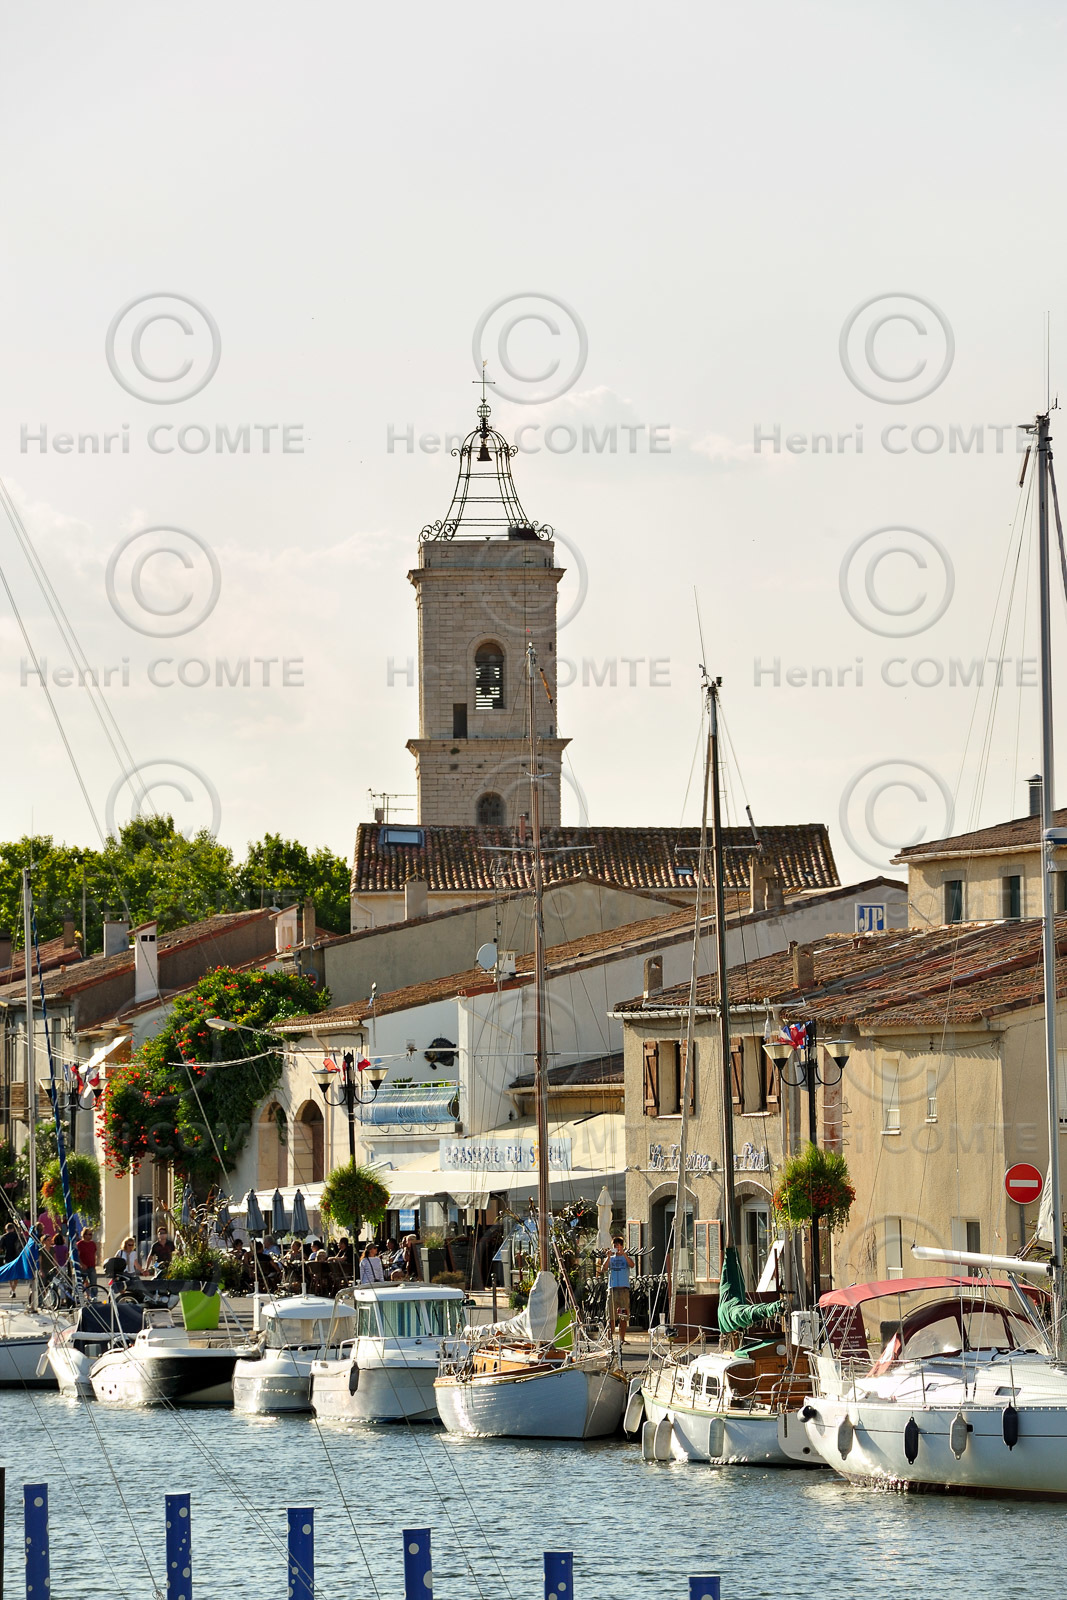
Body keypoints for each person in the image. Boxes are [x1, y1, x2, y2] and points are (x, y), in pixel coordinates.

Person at [599, 1235, 635, 1344]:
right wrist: (608, 1256)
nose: (617, 1248)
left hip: (623, 1290)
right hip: (612, 1289)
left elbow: (632, 1265)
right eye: (615, 1246)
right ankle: (609, 1339)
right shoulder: (610, 1258)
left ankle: (622, 1338)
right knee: (611, 1315)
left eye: (618, 1246)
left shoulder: (625, 1257)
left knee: (623, 1315)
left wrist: (623, 1253)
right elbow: (603, 1269)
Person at [76, 1226, 99, 1295]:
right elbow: (77, 1255)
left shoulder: (92, 1244)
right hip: (83, 1267)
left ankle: (94, 1297)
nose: (91, 1236)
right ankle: (80, 1296)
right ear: (84, 1235)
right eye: (89, 1234)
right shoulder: (79, 1244)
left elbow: (95, 1253)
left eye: (91, 1234)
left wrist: (96, 1262)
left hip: (91, 1266)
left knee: (93, 1282)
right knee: (82, 1283)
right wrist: (81, 1264)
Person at [1, 1220, 20, 1299]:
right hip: (17, 1257)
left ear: (6, 1229)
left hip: (8, 1257)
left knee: (9, 1274)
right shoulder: (17, 1236)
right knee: (16, 1275)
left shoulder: (4, 1237)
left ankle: (12, 1290)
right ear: (13, 1228)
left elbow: (1, 1249)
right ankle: (14, 1289)